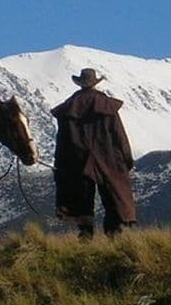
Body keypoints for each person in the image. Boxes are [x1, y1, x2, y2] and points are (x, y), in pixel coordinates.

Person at [51, 68, 136, 240]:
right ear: (95, 83)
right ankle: (114, 234)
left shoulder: (69, 107)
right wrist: (126, 159)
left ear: (80, 83)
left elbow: (62, 141)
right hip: (108, 158)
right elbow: (119, 135)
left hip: (77, 160)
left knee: (82, 199)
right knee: (113, 196)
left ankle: (85, 235)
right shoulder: (106, 105)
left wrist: (60, 164)